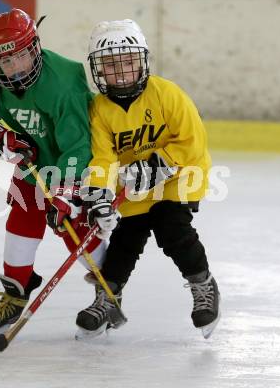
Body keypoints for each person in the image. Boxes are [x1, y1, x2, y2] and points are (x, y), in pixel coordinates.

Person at [0, 8, 107, 335]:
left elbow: (78, 144)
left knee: (74, 229)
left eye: (20, 57)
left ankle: (109, 290)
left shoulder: (65, 80)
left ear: (35, 48)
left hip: (74, 163)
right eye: (3, 63)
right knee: (21, 221)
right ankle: (14, 295)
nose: (12, 69)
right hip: (31, 165)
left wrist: (67, 189)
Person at [75, 19, 220, 339]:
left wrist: (160, 165)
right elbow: (103, 157)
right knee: (126, 238)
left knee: (172, 227)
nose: (123, 72)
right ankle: (108, 299)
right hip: (133, 183)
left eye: (128, 62)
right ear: (99, 70)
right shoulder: (99, 109)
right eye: (112, 65)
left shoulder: (168, 94)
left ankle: (204, 286)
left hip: (180, 176)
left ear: (142, 60)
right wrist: (99, 191)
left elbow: (192, 142)